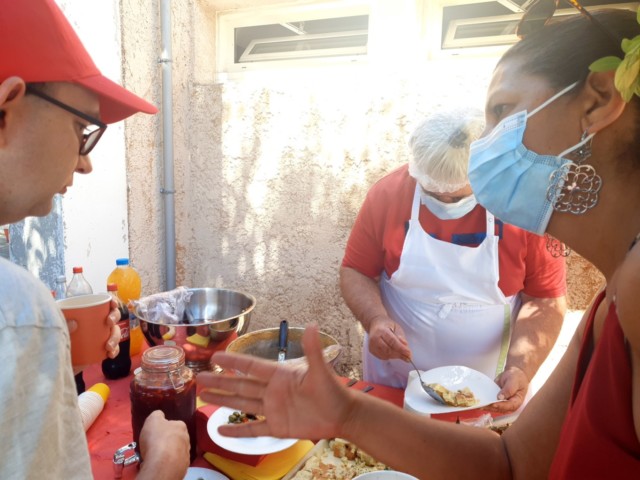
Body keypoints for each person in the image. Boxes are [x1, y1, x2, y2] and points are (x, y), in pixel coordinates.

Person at [198, 7, 640, 478]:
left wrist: (521, 366)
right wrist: (347, 414)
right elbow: (511, 464)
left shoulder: (623, 289)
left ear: (598, 100)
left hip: (479, 385)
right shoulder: (611, 303)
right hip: (399, 388)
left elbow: (544, 299)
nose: (487, 146)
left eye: (502, 111)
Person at [0, 1, 190, 479]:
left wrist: (51, 358)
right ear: (5, 111)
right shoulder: (16, 308)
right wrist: (163, 466)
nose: (85, 163)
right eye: (81, 128)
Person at [340, 109, 566, 412]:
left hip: (488, 384)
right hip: (397, 376)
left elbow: (545, 299)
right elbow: (355, 270)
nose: (444, 203)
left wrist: (520, 367)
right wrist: (375, 319)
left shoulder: (522, 208)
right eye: (431, 193)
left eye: (457, 197)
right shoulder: (388, 195)